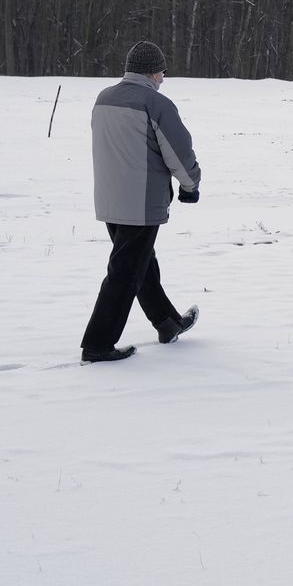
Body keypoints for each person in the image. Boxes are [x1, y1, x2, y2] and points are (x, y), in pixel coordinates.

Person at [80, 41, 202, 363]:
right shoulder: (155, 103)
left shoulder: (104, 98)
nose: (163, 77)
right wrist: (191, 186)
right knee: (124, 272)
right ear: (151, 71)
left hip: (110, 198)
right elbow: (179, 152)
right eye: (162, 71)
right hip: (141, 201)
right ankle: (97, 344)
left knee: (140, 264)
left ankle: (167, 323)